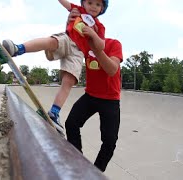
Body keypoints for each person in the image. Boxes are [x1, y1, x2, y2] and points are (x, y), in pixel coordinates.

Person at [2, 0, 109, 134]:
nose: (93, 7)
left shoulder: (99, 26)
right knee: (51, 42)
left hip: (78, 52)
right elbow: (65, 4)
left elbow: (101, 46)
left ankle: (54, 113)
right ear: (83, 3)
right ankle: (18, 49)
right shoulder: (78, 10)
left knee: (68, 81)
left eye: (98, 5)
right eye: (90, 2)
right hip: (68, 39)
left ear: (102, 9)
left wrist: (93, 34)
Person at [65, 7, 123, 172]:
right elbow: (68, 41)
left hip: (110, 99)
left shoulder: (114, 44)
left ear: (99, 27)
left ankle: (95, 172)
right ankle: (78, 162)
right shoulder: (84, 44)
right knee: (71, 123)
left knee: (110, 141)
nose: (87, 29)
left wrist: (97, 49)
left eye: (91, 26)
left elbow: (112, 69)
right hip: (90, 96)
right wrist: (69, 22)